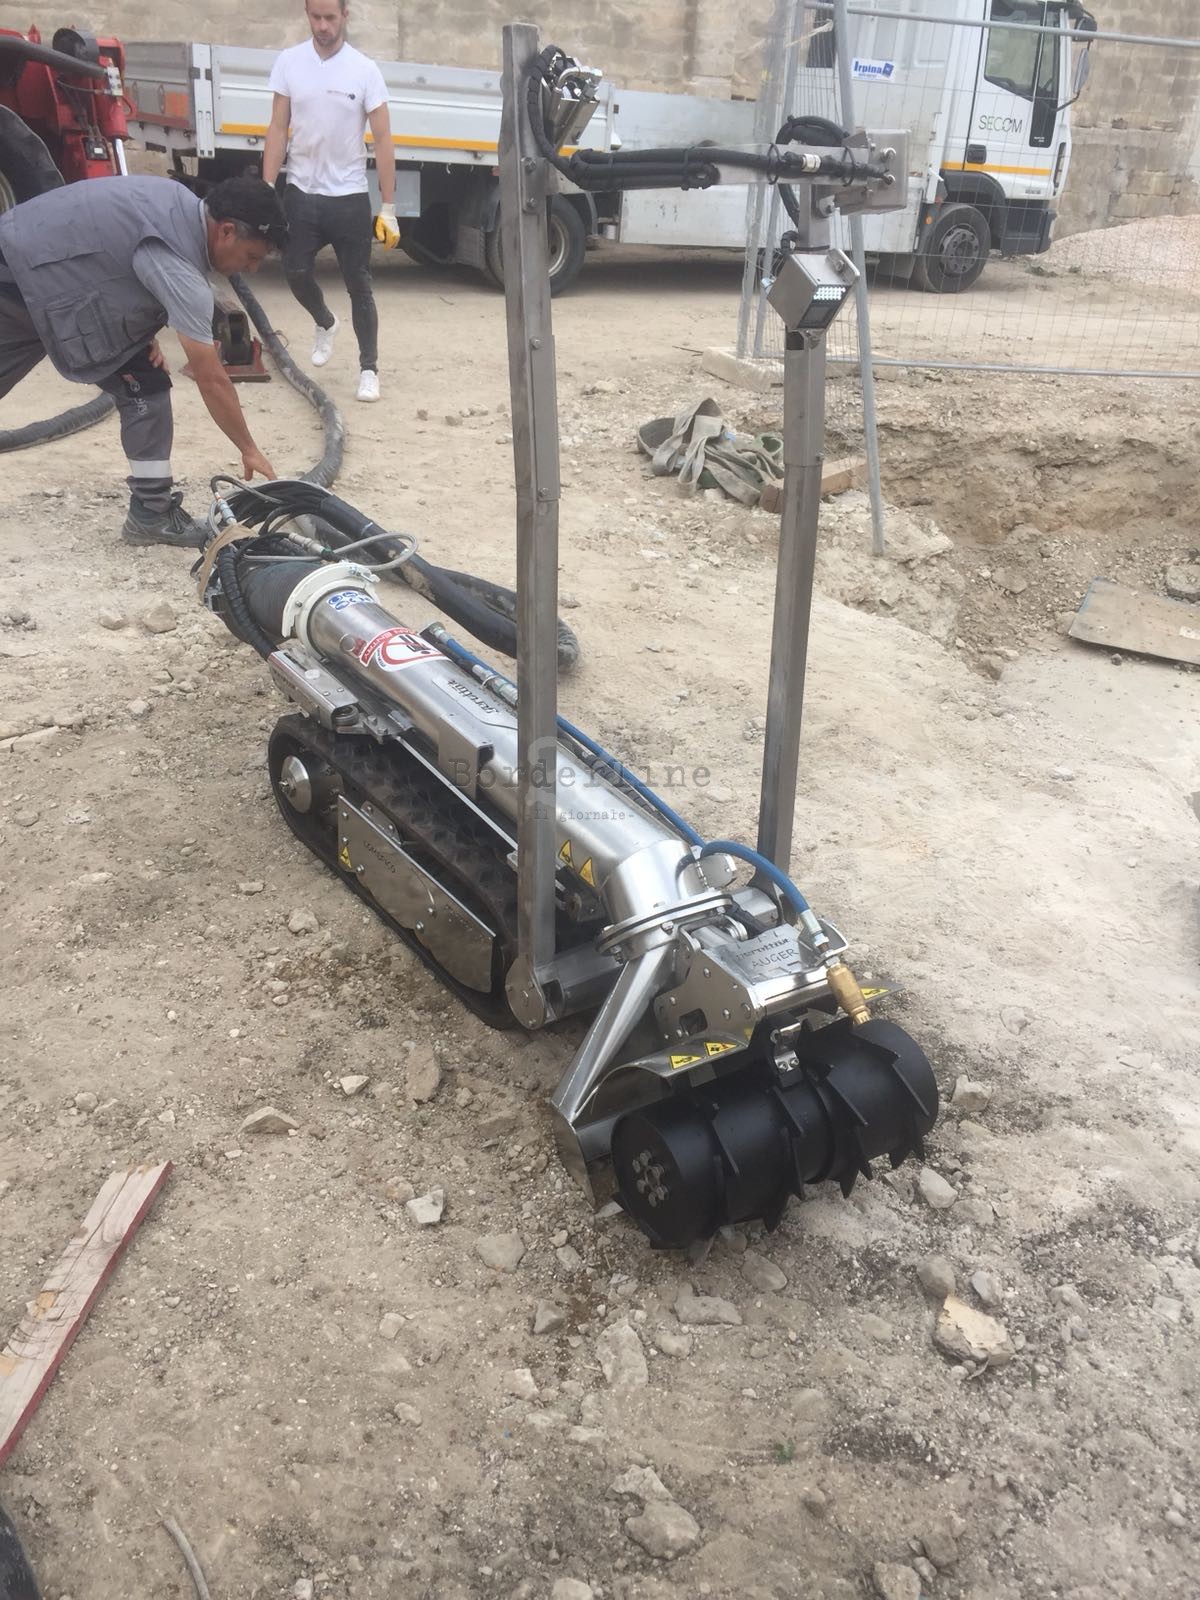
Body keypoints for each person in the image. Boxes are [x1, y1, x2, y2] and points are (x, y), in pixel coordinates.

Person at [0, 173, 285, 548]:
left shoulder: (174, 200)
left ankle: (152, 510)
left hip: (28, 258)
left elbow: (115, 255)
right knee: (145, 385)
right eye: (252, 257)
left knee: (144, 377)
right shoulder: (179, 267)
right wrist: (248, 448)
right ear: (227, 231)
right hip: (22, 278)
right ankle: (151, 515)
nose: (252, 269)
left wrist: (142, 331)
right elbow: (211, 377)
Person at [263, 0, 399, 405]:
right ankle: (324, 321)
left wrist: (388, 207)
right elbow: (277, 128)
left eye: (330, 18)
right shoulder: (289, 62)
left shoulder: (364, 70)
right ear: (307, 14)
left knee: (359, 285)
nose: (322, 26)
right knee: (294, 271)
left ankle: (369, 369)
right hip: (301, 192)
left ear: (345, 16)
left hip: (349, 196)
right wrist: (267, 188)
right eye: (315, 17)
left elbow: (384, 139)